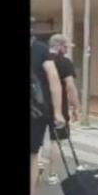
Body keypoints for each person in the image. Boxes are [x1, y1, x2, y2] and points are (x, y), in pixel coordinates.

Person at [30, 31, 65, 195]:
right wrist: (58, 111)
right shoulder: (40, 49)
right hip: (36, 112)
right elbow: (53, 79)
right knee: (32, 157)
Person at [37, 34, 81, 185]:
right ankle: (52, 174)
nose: (67, 49)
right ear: (59, 46)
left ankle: (38, 164)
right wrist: (76, 106)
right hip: (59, 107)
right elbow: (70, 86)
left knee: (37, 139)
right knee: (57, 140)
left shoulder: (40, 58)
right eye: (66, 47)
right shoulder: (64, 62)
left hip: (37, 105)